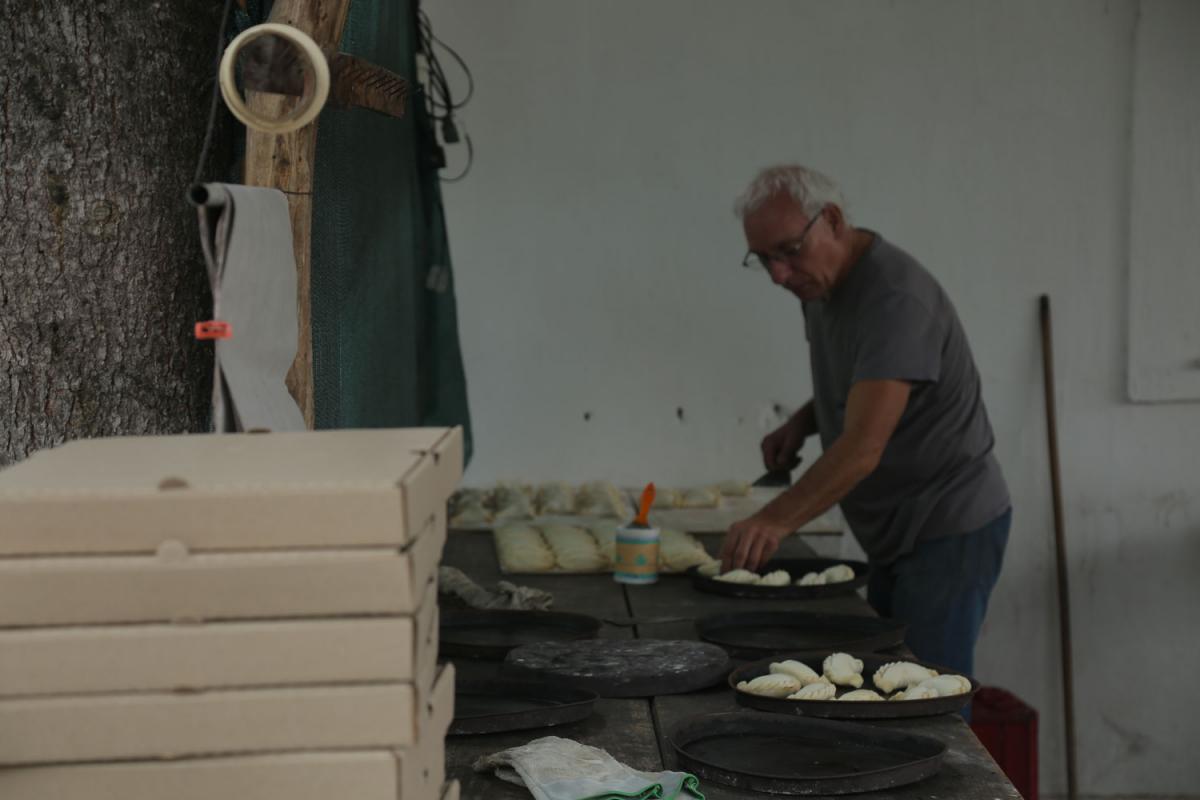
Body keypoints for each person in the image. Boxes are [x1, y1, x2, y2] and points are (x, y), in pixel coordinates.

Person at [719, 165, 1011, 678]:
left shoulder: (895, 299)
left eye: (787, 251)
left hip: (946, 525)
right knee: (886, 676)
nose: (777, 275)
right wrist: (805, 422)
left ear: (830, 220)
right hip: (893, 531)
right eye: (762, 259)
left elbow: (862, 448)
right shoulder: (819, 288)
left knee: (926, 691)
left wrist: (774, 520)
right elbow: (868, 382)